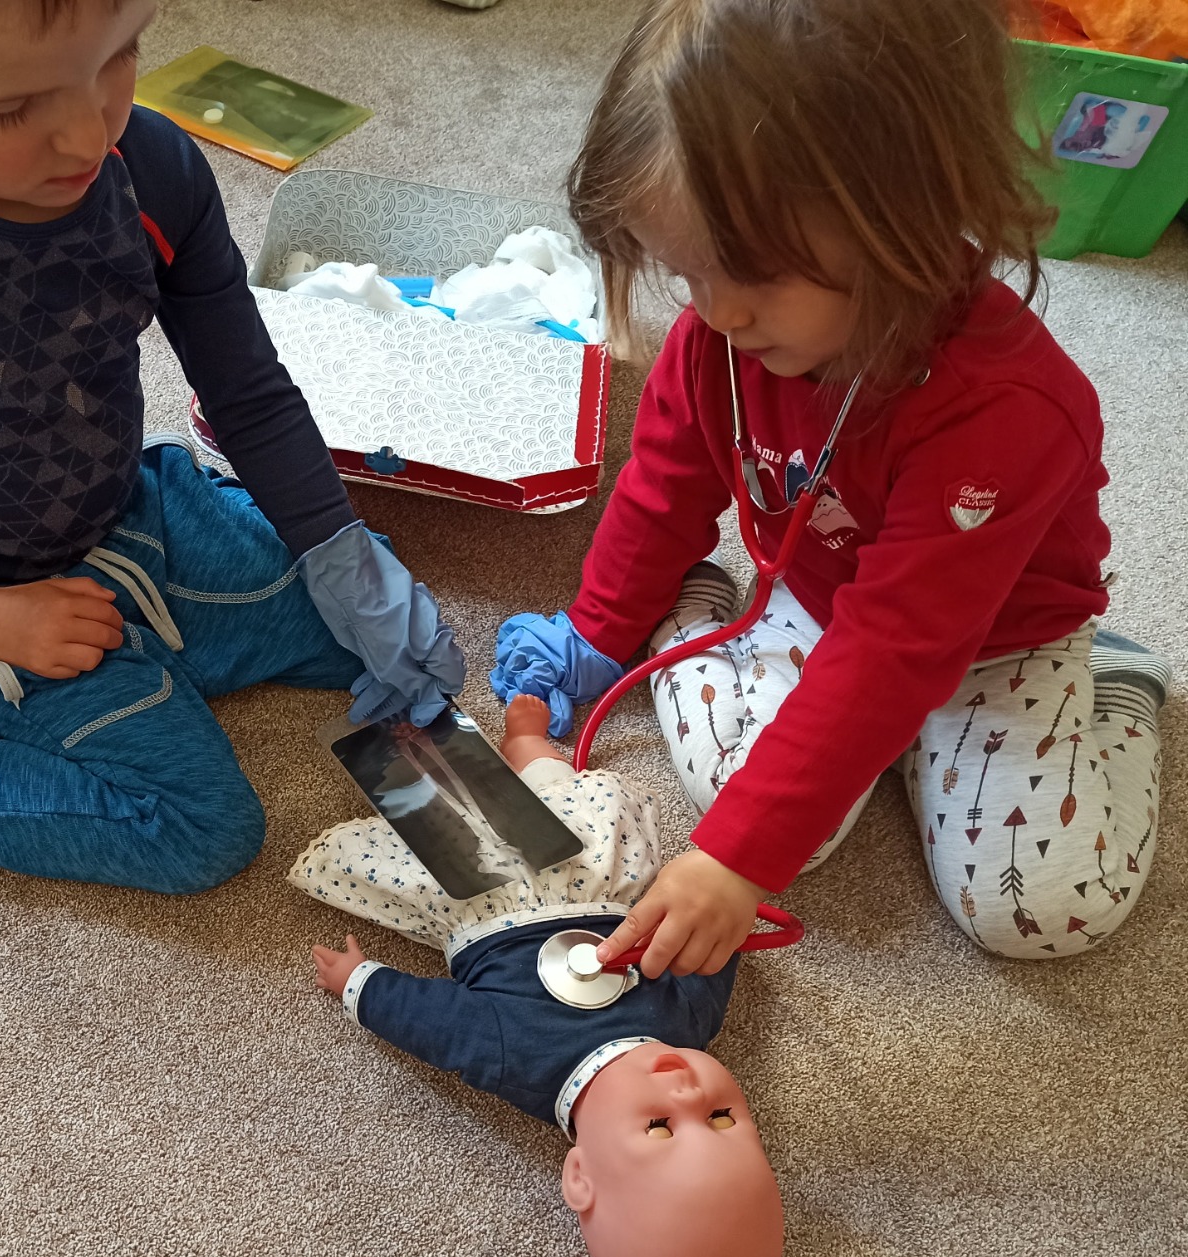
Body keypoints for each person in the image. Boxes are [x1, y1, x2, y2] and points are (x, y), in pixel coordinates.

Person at [0, 0, 462, 897]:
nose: (87, 138)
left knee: (377, 625)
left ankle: (170, 647)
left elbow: (247, 392)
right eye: (8, 108)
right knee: (202, 830)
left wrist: (338, 551)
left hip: (134, 512)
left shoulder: (153, 166)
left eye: (118, 55)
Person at [491, 0, 1171, 972]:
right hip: (818, 599)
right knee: (752, 804)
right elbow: (664, 487)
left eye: (755, 273)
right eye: (689, 273)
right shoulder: (719, 339)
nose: (717, 313)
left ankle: (1124, 689)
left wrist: (735, 858)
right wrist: (595, 634)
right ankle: (700, 609)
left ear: (909, 210)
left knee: (1040, 909)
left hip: (997, 642)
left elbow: (897, 647)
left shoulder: (1009, 409)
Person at [297, 696, 784, 1257]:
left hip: (489, 905)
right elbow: (709, 963)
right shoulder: (689, 1027)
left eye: (661, 1127)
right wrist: (724, 927)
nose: (688, 1092)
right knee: (566, 795)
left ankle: (406, 754)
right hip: (597, 883)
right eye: (721, 1116)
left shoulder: (522, 1060)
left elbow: (438, 1025)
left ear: (580, 1173)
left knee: (435, 818)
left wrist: (361, 984)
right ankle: (527, 740)